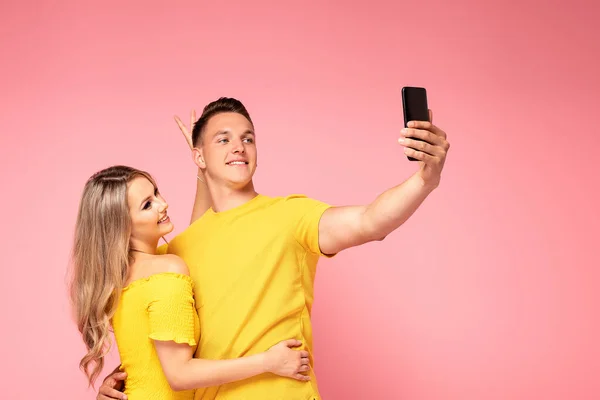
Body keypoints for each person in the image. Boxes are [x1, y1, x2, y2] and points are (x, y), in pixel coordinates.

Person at [97, 97, 450, 400]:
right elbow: (163, 336)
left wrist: (424, 179)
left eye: (247, 138)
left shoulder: (290, 215)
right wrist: (126, 380)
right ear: (199, 157)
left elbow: (370, 221)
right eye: (223, 139)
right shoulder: (177, 250)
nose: (239, 146)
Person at [69, 165, 313, 400]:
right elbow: (179, 375)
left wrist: (203, 168)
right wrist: (269, 362)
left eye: (155, 192)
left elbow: (196, 237)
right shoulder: (166, 270)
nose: (163, 204)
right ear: (122, 225)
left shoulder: (121, 276)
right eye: (147, 205)